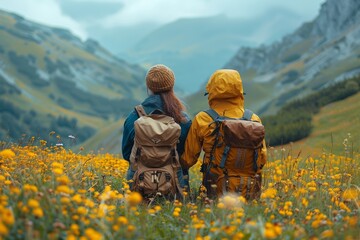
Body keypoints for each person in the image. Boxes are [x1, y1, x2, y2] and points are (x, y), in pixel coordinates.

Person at [180, 69, 267, 200]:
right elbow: (262, 159)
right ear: (239, 90)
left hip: (215, 193)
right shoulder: (254, 119)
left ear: (212, 91)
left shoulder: (203, 119)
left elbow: (188, 160)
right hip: (248, 192)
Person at [122, 64, 191, 192]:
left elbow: (127, 154)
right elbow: (185, 156)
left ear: (149, 86)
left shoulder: (134, 117)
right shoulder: (183, 119)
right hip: (175, 185)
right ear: (171, 86)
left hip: (139, 184)